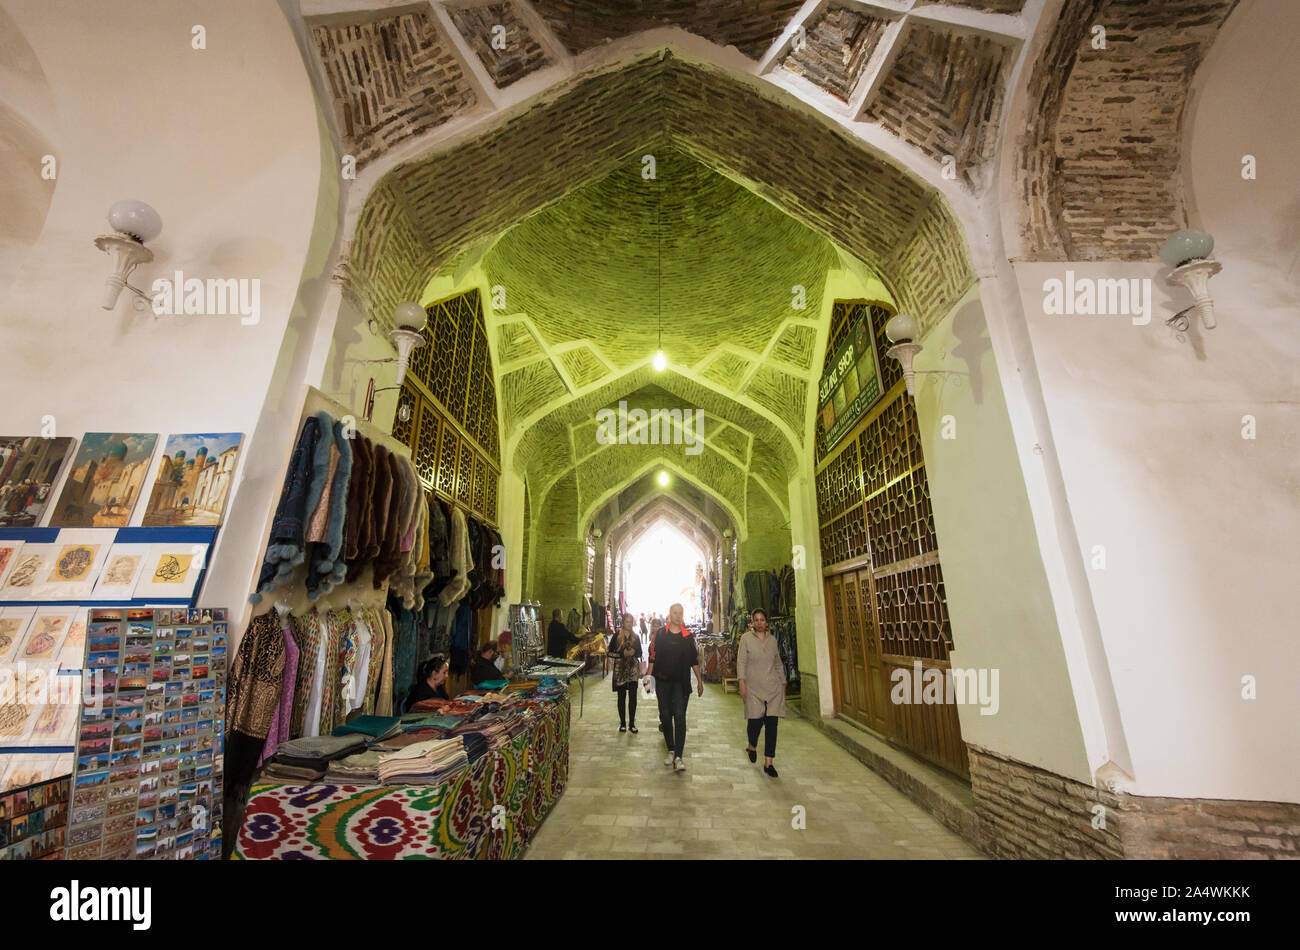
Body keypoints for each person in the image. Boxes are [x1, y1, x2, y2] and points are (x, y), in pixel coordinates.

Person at [644, 603, 702, 772]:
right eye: (675, 613)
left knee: (680, 716)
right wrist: (648, 679)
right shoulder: (660, 634)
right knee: (665, 715)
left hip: (681, 683)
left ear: (682, 615)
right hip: (662, 682)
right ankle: (671, 749)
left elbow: (693, 660)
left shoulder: (687, 636)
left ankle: (679, 756)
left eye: (680, 613)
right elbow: (652, 657)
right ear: (670, 615)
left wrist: (699, 680)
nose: (677, 616)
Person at [737, 608, 786, 777]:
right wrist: (742, 683)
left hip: (773, 688)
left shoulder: (772, 640)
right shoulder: (745, 639)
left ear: (767, 622)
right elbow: (741, 662)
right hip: (753, 688)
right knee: (755, 724)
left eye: (762, 619)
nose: (759, 622)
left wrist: (783, 682)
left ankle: (768, 763)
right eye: (756, 620)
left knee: (772, 726)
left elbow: (778, 663)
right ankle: (752, 745)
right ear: (752, 623)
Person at [610, 614, 643, 733]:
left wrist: (634, 652)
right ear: (623, 622)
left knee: (633, 697)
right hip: (620, 670)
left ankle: (632, 724)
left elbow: (640, 653)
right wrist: (621, 654)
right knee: (621, 697)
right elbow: (609, 653)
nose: (629, 624)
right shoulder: (616, 636)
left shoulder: (636, 637)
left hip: (633, 670)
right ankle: (623, 723)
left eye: (631, 622)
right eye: (627, 621)